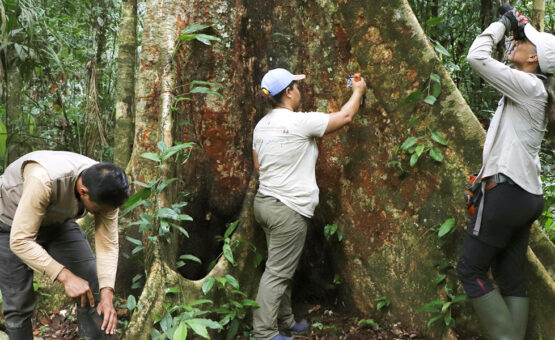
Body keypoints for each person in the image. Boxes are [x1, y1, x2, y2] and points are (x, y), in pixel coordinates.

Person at [456, 4, 554, 340]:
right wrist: (518, 29)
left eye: (525, 42)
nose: (517, 42)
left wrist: (501, 24)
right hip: (527, 196)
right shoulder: (536, 89)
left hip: (507, 194)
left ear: (534, 60)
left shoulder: (529, 87)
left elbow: (476, 57)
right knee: (510, 277)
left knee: (470, 269)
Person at [251, 68, 366, 340]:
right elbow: (346, 116)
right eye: (297, 86)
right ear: (289, 92)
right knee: (277, 273)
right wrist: (358, 91)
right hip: (287, 210)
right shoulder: (300, 122)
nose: (300, 90)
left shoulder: (261, 125)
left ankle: (286, 321)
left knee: (280, 267)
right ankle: (264, 334)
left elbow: (258, 166)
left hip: (265, 204)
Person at [0, 150, 130, 339]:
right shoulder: (43, 179)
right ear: (84, 192)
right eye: (99, 211)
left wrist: (108, 292)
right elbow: (20, 240)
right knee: (18, 305)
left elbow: (108, 243)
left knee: (92, 282)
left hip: (57, 223)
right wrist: (65, 276)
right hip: (9, 224)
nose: (103, 214)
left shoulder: (107, 188)